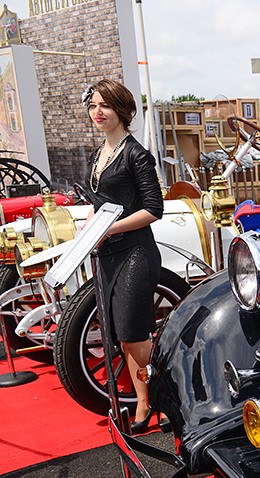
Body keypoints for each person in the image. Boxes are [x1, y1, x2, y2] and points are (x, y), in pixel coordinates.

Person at [82, 78, 164, 433]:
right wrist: (91, 225)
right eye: (93, 105)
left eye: (105, 106)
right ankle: (142, 399)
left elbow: (154, 209)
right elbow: (98, 203)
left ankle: (157, 395)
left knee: (133, 332)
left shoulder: (136, 154)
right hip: (106, 254)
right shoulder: (97, 154)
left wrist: (108, 229)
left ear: (122, 111)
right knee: (121, 334)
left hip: (135, 252)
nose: (97, 112)